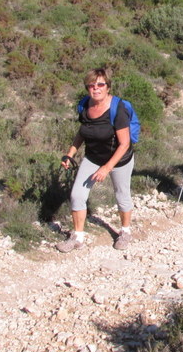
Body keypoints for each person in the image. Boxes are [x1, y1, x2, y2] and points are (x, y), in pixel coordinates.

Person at [57, 68, 137, 253]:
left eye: (100, 84)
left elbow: (124, 143)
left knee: (121, 194)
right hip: (93, 157)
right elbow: (82, 133)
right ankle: (77, 237)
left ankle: (125, 232)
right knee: (77, 195)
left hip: (119, 160)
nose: (96, 88)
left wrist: (107, 168)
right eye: (91, 85)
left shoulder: (118, 110)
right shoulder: (85, 105)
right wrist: (70, 153)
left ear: (108, 87)